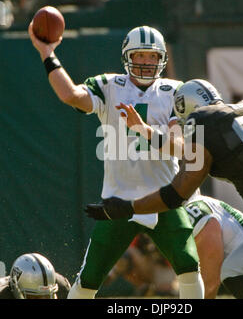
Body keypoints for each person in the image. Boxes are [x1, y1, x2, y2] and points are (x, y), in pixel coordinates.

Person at [28, 23, 204, 299]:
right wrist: (47, 52)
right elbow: (70, 95)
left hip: (163, 198)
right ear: (127, 57)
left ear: (162, 60)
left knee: (189, 267)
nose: (146, 62)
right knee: (89, 278)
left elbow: (181, 148)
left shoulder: (173, 91)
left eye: (152, 56)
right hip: (119, 199)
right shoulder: (109, 86)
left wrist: (144, 130)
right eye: (140, 56)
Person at [86, 79, 243, 299]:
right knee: (236, 271)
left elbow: (178, 192)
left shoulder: (202, 119)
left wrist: (130, 207)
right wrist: (147, 131)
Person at [0, 253, 71, 299]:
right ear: (14, 288)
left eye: (46, 297)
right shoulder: (3, 295)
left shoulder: (62, 289)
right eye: (35, 298)